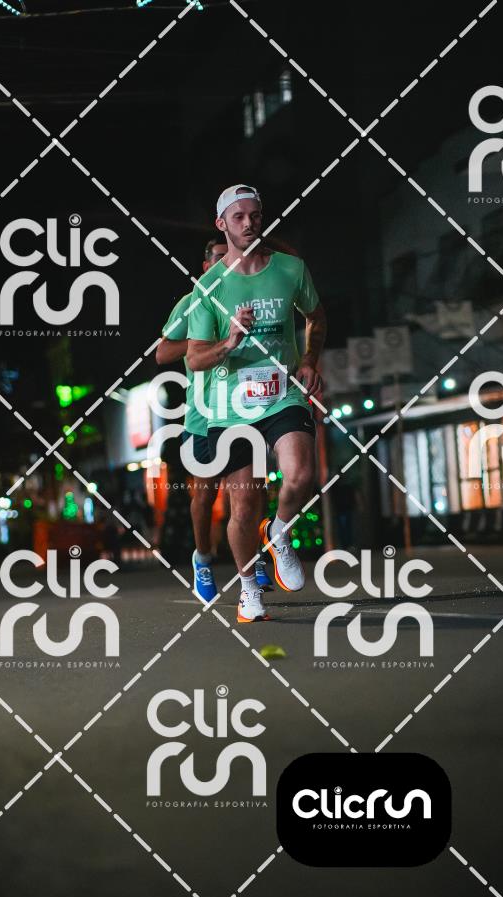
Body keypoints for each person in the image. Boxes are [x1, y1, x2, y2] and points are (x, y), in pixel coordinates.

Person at [187, 185, 326, 623]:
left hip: (282, 393)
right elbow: (193, 358)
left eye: (255, 215)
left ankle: (280, 530)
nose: (249, 223)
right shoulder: (208, 287)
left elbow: (316, 317)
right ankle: (249, 588)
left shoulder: (290, 269)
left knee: (301, 475)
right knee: (244, 507)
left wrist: (309, 359)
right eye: (239, 217)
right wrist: (229, 342)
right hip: (231, 408)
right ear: (222, 224)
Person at [156, 238, 273, 603]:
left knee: (254, 491)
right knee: (205, 495)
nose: (230, 262)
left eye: (233, 256)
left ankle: (254, 558)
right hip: (202, 415)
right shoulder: (193, 301)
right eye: (221, 258)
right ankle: (203, 558)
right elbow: (162, 352)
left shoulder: (251, 295)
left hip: (245, 410)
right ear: (207, 267)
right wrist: (212, 338)